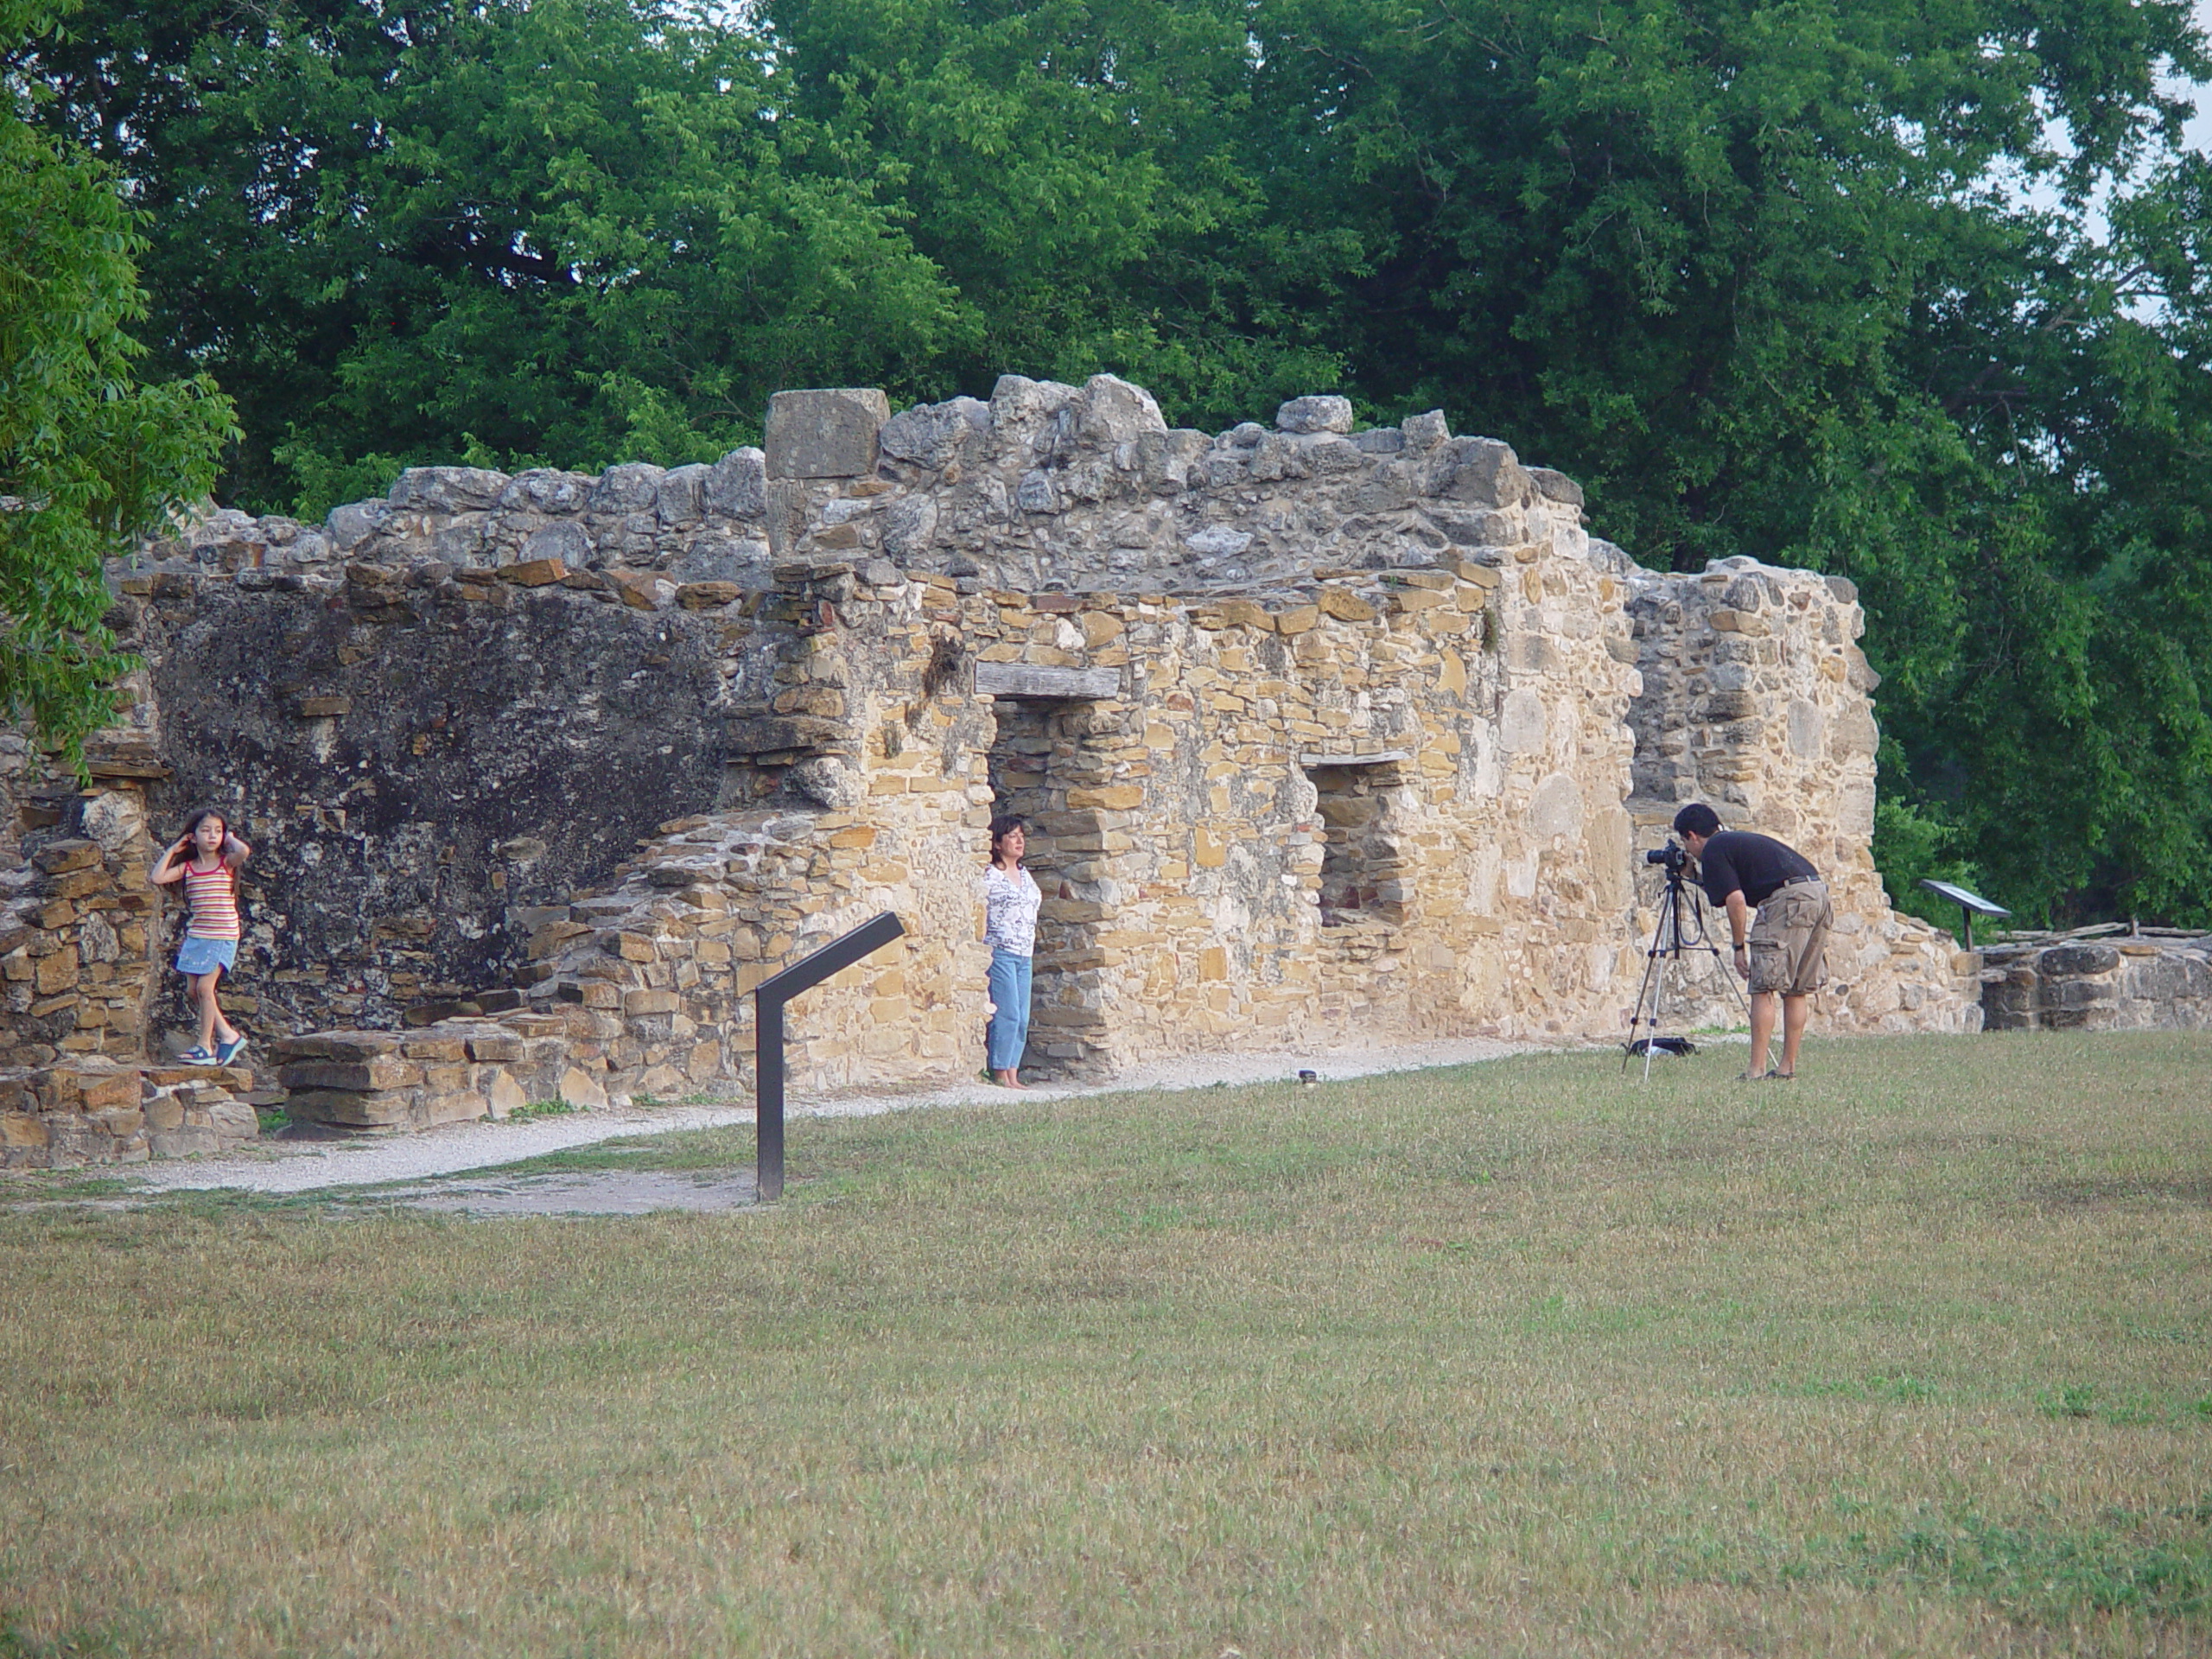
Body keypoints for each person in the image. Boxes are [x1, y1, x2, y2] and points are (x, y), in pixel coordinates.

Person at [1671, 803, 1832, 1080]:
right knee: (1796, 989)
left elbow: (1736, 899)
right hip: (1816, 893)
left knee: (1763, 986)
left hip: (1787, 900)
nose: (1689, 851)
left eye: (1685, 843)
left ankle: (1755, 1070)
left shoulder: (1714, 849)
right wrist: (1695, 876)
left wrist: (1738, 948)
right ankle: (1786, 1069)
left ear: (1692, 836)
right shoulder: (1734, 841)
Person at [149, 807, 253, 1067]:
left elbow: (243, 852)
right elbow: (157, 877)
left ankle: (205, 1046)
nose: (212, 836)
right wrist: (173, 850)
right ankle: (228, 1034)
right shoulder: (189, 868)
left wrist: (229, 838)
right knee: (194, 991)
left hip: (222, 934)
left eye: (217, 831)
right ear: (193, 837)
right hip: (198, 935)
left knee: (206, 988)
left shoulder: (226, 863)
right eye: (206, 830)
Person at [981, 813, 1042, 1088]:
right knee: (1008, 1013)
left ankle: (1014, 1072)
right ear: (998, 843)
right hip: (1001, 950)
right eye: (1012, 836)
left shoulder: (1026, 875)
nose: (1019, 841)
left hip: (1024, 952)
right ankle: (999, 1071)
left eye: (1022, 836)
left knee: (1022, 1016)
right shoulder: (991, 876)